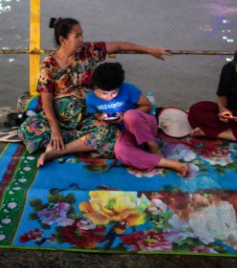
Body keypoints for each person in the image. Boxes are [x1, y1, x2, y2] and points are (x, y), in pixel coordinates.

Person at [17, 17, 172, 167]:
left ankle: (60, 149)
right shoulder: (48, 65)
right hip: (59, 119)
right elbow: (46, 100)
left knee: (110, 132)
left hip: (87, 116)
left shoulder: (88, 51)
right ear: (63, 39)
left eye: (82, 34)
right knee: (27, 130)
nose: (81, 39)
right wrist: (55, 129)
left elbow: (117, 46)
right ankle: (73, 140)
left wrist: (149, 50)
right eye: (77, 36)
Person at [86, 62, 189, 176]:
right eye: (105, 94)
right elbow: (95, 114)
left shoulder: (128, 89)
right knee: (120, 151)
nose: (110, 97)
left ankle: (153, 147)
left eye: (114, 93)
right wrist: (103, 117)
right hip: (127, 132)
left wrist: (124, 117)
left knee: (131, 116)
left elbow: (147, 105)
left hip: (145, 127)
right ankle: (170, 164)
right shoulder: (91, 98)